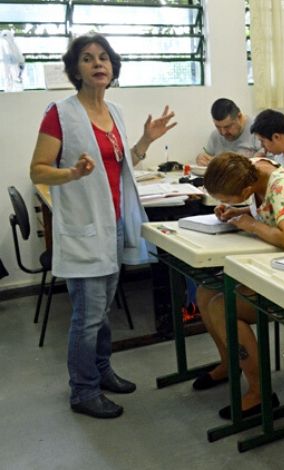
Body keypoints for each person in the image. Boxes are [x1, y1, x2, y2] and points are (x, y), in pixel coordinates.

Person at [29, 34, 176, 419]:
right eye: (88, 58)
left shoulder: (116, 112)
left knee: (103, 308)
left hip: (113, 225)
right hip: (83, 228)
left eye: (104, 57)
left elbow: (122, 163)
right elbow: (38, 170)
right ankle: (83, 390)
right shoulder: (59, 112)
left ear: (113, 67)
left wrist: (146, 139)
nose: (98, 63)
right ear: (75, 68)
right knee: (87, 315)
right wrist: (72, 172)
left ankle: (101, 370)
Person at [193, 153, 284, 420]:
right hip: (277, 265)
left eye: (228, 198)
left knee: (223, 307)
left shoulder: (282, 185)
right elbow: (272, 211)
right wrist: (240, 211)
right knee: (205, 292)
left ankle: (260, 393)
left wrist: (250, 224)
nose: (223, 203)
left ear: (246, 190)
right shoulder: (252, 169)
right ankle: (229, 363)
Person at [195, 98, 263, 165]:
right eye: (218, 127)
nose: (223, 132)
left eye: (227, 127)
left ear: (239, 117)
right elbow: (207, 158)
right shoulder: (215, 135)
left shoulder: (259, 130)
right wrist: (203, 159)